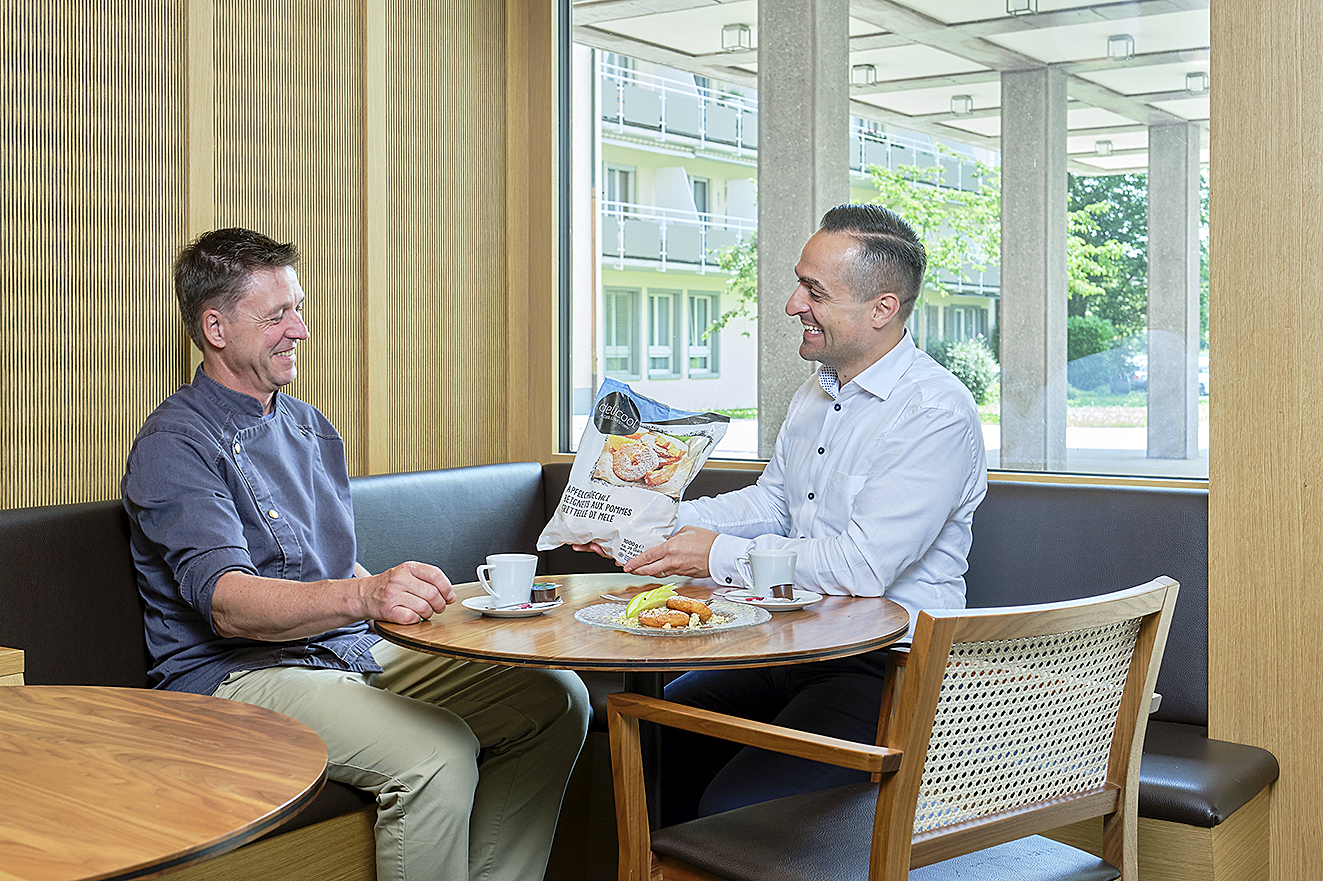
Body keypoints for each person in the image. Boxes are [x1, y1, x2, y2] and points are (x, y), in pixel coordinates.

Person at [122, 228, 590, 881]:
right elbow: (229, 606)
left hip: (341, 651)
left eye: (300, 308)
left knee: (556, 697)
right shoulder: (175, 441)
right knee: (438, 750)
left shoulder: (311, 427)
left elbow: (333, 569)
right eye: (278, 314)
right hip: (237, 678)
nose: (301, 329)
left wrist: (428, 603)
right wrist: (366, 596)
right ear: (216, 327)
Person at [580, 204, 987, 825]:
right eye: (800, 283)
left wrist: (712, 555)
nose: (793, 303)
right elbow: (774, 501)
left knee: (733, 811)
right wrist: (648, 523)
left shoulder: (934, 413)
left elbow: (860, 567)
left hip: (886, 673)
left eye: (814, 290)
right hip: (790, 647)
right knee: (641, 745)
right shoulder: (815, 393)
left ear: (881, 309)